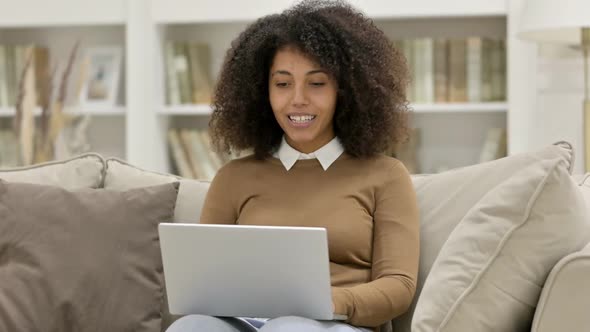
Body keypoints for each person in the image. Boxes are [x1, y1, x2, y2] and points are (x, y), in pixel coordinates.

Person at [167, 0, 419, 331]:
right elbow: (203, 283)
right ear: (262, 91)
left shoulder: (385, 175)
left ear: (345, 90)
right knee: (191, 328)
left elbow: (399, 284)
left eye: (316, 83)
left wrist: (333, 302)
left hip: (338, 322)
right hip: (247, 320)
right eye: (283, 84)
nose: (298, 99)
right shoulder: (233, 178)